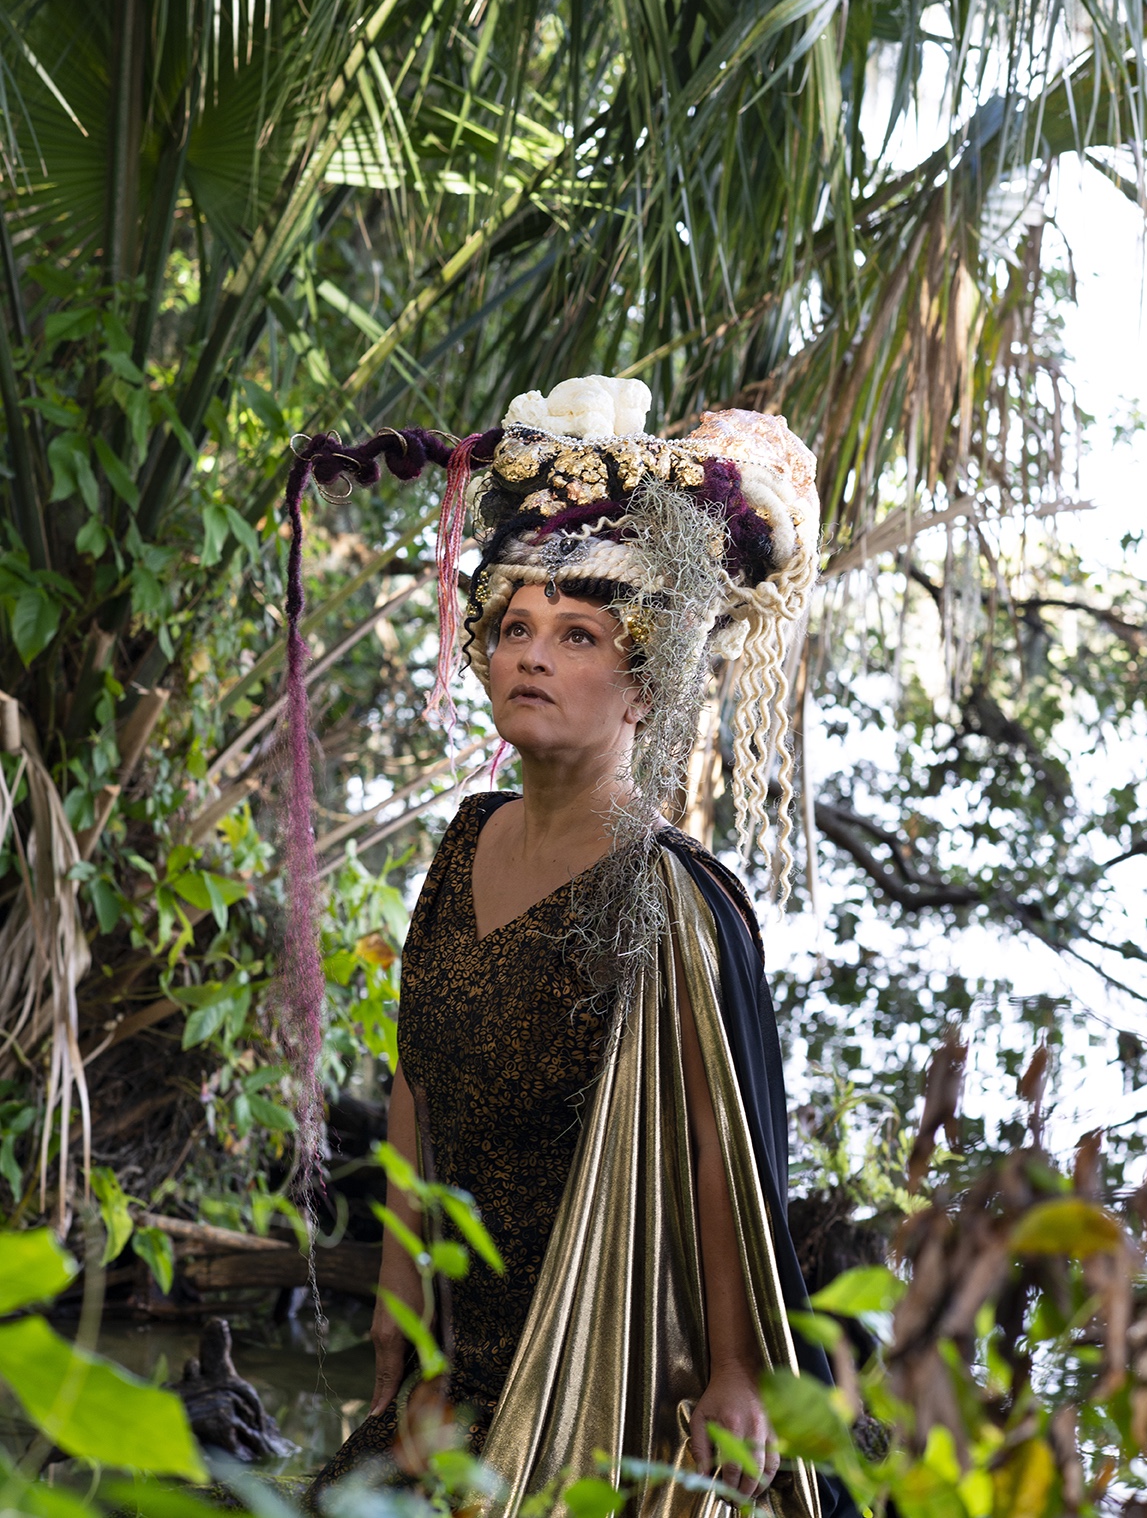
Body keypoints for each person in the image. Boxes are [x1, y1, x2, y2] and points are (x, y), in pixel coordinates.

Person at [283, 379, 850, 1518]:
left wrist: (737, 1369)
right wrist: (399, 1284)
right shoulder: (462, 842)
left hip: (617, 1357)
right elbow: (414, 1072)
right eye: (513, 626)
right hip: (470, 1341)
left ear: (645, 682)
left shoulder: (670, 893)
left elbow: (715, 1148)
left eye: (579, 634)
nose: (530, 655)